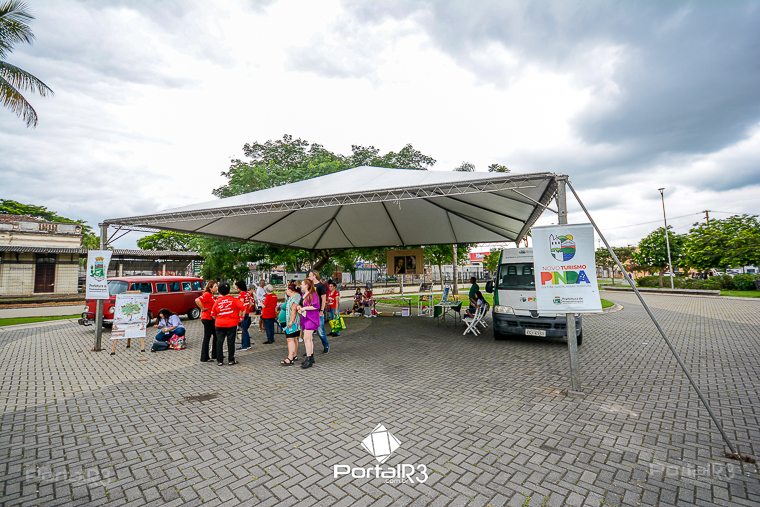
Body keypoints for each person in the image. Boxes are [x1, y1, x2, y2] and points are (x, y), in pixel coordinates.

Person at [212, 282, 246, 366]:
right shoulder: (234, 300)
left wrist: (219, 319)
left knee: (219, 342)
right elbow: (243, 307)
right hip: (231, 324)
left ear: (219, 291)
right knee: (231, 342)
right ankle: (231, 360)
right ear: (229, 290)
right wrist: (241, 317)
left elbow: (213, 315)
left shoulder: (217, 301)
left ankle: (220, 361)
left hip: (219, 324)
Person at [297, 278, 320, 369]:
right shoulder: (304, 294)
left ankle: (309, 358)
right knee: (309, 339)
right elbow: (301, 304)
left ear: (307, 285)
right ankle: (311, 357)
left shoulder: (313, 294)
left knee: (307, 338)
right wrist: (299, 307)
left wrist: (304, 308)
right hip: (306, 317)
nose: (301, 286)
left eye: (302, 284)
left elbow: (316, 306)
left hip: (311, 318)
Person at [195, 280, 218, 362]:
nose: (217, 288)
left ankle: (215, 354)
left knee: (216, 336)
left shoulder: (212, 295)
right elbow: (197, 300)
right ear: (210, 288)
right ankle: (205, 357)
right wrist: (202, 308)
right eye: (215, 286)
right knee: (207, 337)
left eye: (217, 286)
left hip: (211, 319)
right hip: (207, 319)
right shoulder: (207, 294)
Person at [280, 282, 302, 366]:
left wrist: (291, 321)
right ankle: (294, 355)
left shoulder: (295, 297)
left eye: (287, 289)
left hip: (293, 322)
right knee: (294, 338)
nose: (286, 291)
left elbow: (294, 310)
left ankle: (290, 358)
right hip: (295, 322)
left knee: (290, 339)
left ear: (291, 290)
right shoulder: (294, 296)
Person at [308, 271, 330, 353]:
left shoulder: (321, 286)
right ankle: (309, 349)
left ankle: (326, 345)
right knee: (308, 332)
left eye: (310, 275)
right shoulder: (309, 285)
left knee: (320, 331)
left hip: (317, 311)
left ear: (314, 276)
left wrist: (321, 310)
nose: (309, 277)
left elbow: (323, 299)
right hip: (310, 311)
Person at [235, 280, 254, 351]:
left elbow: (241, 306)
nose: (236, 289)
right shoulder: (247, 293)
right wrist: (247, 309)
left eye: (237, 287)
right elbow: (251, 303)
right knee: (245, 329)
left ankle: (244, 346)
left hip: (243, 314)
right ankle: (248, 345)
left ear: (239, 287)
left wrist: (240, 316)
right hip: (247, 313)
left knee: (243, 330)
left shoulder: (241, 294)